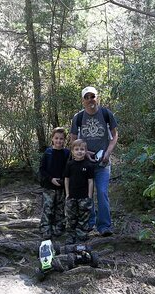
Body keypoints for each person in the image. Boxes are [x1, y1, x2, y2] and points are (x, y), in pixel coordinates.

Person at [69, 86, 118, 237]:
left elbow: (115, 135)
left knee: (102, 192)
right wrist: (86, 153)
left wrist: (108, 152)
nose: (90, 99)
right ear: (83, 101)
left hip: (103, 163)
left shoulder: (106, 114)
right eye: (87, 97)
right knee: (87, 193)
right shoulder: (78, 117)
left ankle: (104, 226)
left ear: (97, 98)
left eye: (93, 96)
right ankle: (90, 224)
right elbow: (73, 139)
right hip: (85, 164)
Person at [39, 127, 70, 239]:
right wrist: (51, 179)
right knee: (48, 207)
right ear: (52, 139)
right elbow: (42, 169)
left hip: (62, 186)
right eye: (56, 138)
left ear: (64, 140)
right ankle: (45, 228)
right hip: (49, 186)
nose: (58, 141)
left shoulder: (67, 153)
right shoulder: (48, 153)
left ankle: (59, 228)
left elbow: (69, 169)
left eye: (61, 139)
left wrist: (63, 180)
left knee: (60, 208)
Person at [64, 139, 94, 244]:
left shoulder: (89, 165)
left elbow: (90, 181)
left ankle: (81, 234)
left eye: (82, 149)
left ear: (86, 151)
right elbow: (66, 179)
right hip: (72, 196)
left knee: (83, 216)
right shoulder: (70, 164)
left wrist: (89, 196)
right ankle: (70, 236)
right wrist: (67, 194)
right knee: (70, 217)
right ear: (72, 151)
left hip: (84, 197)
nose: (79, 151)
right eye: (76, 149)